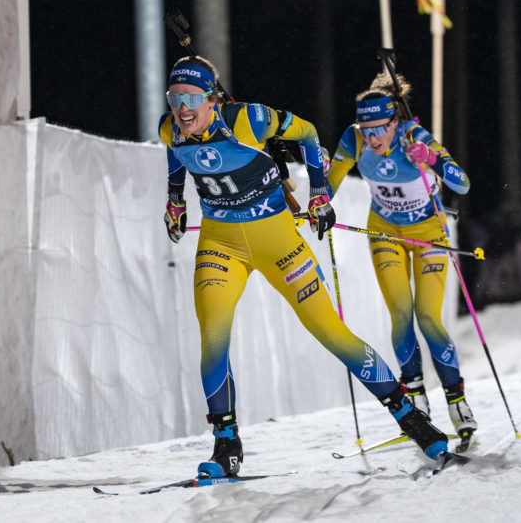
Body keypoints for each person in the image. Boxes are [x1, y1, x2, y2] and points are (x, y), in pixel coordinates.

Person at [158, 55, 449, 478]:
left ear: (211, 98)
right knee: (212, 340)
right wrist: (174, 201)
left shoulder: (249, 119)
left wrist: (318, 194)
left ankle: (412, 420)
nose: (182, 110)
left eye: (190, 99)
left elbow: (309, 133)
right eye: (174, 99)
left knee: (331, 332)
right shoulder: (170, 129)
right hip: (220, 246)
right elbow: (174, 157)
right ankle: (226, 446)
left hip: (279, 244)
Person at [326, 72, 477, 447]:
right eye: (366, 130)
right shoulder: (354, 139)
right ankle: (416, 397)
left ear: (395, 122)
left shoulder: (414, 136)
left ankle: (456, 400)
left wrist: (432, 159)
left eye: (380, 129)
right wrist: (316, 201)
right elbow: (329, 185)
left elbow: (462, 183)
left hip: (428, 233)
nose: (373, 138)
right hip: (385, 232)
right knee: (400, 313)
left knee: (428, 317)